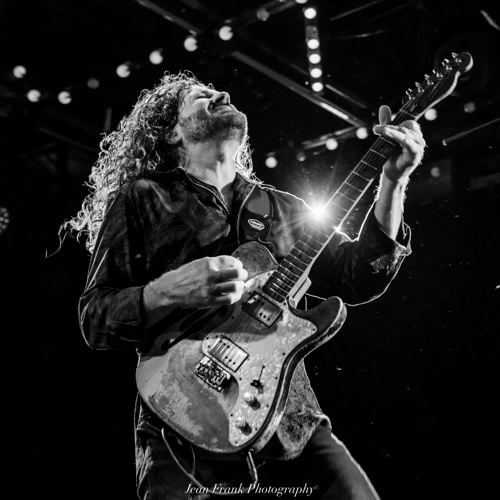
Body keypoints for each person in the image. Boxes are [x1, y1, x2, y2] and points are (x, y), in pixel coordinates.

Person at [69, 72, 425, 499]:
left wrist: (393, 181)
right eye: (200, 96)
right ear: (171, 131)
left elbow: (359, 275)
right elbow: (95, 318)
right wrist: (169, 290)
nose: (221, 92)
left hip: (285, 416)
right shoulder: (144, 196)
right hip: (182, 414)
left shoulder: (280, 208)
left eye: (218, 90)